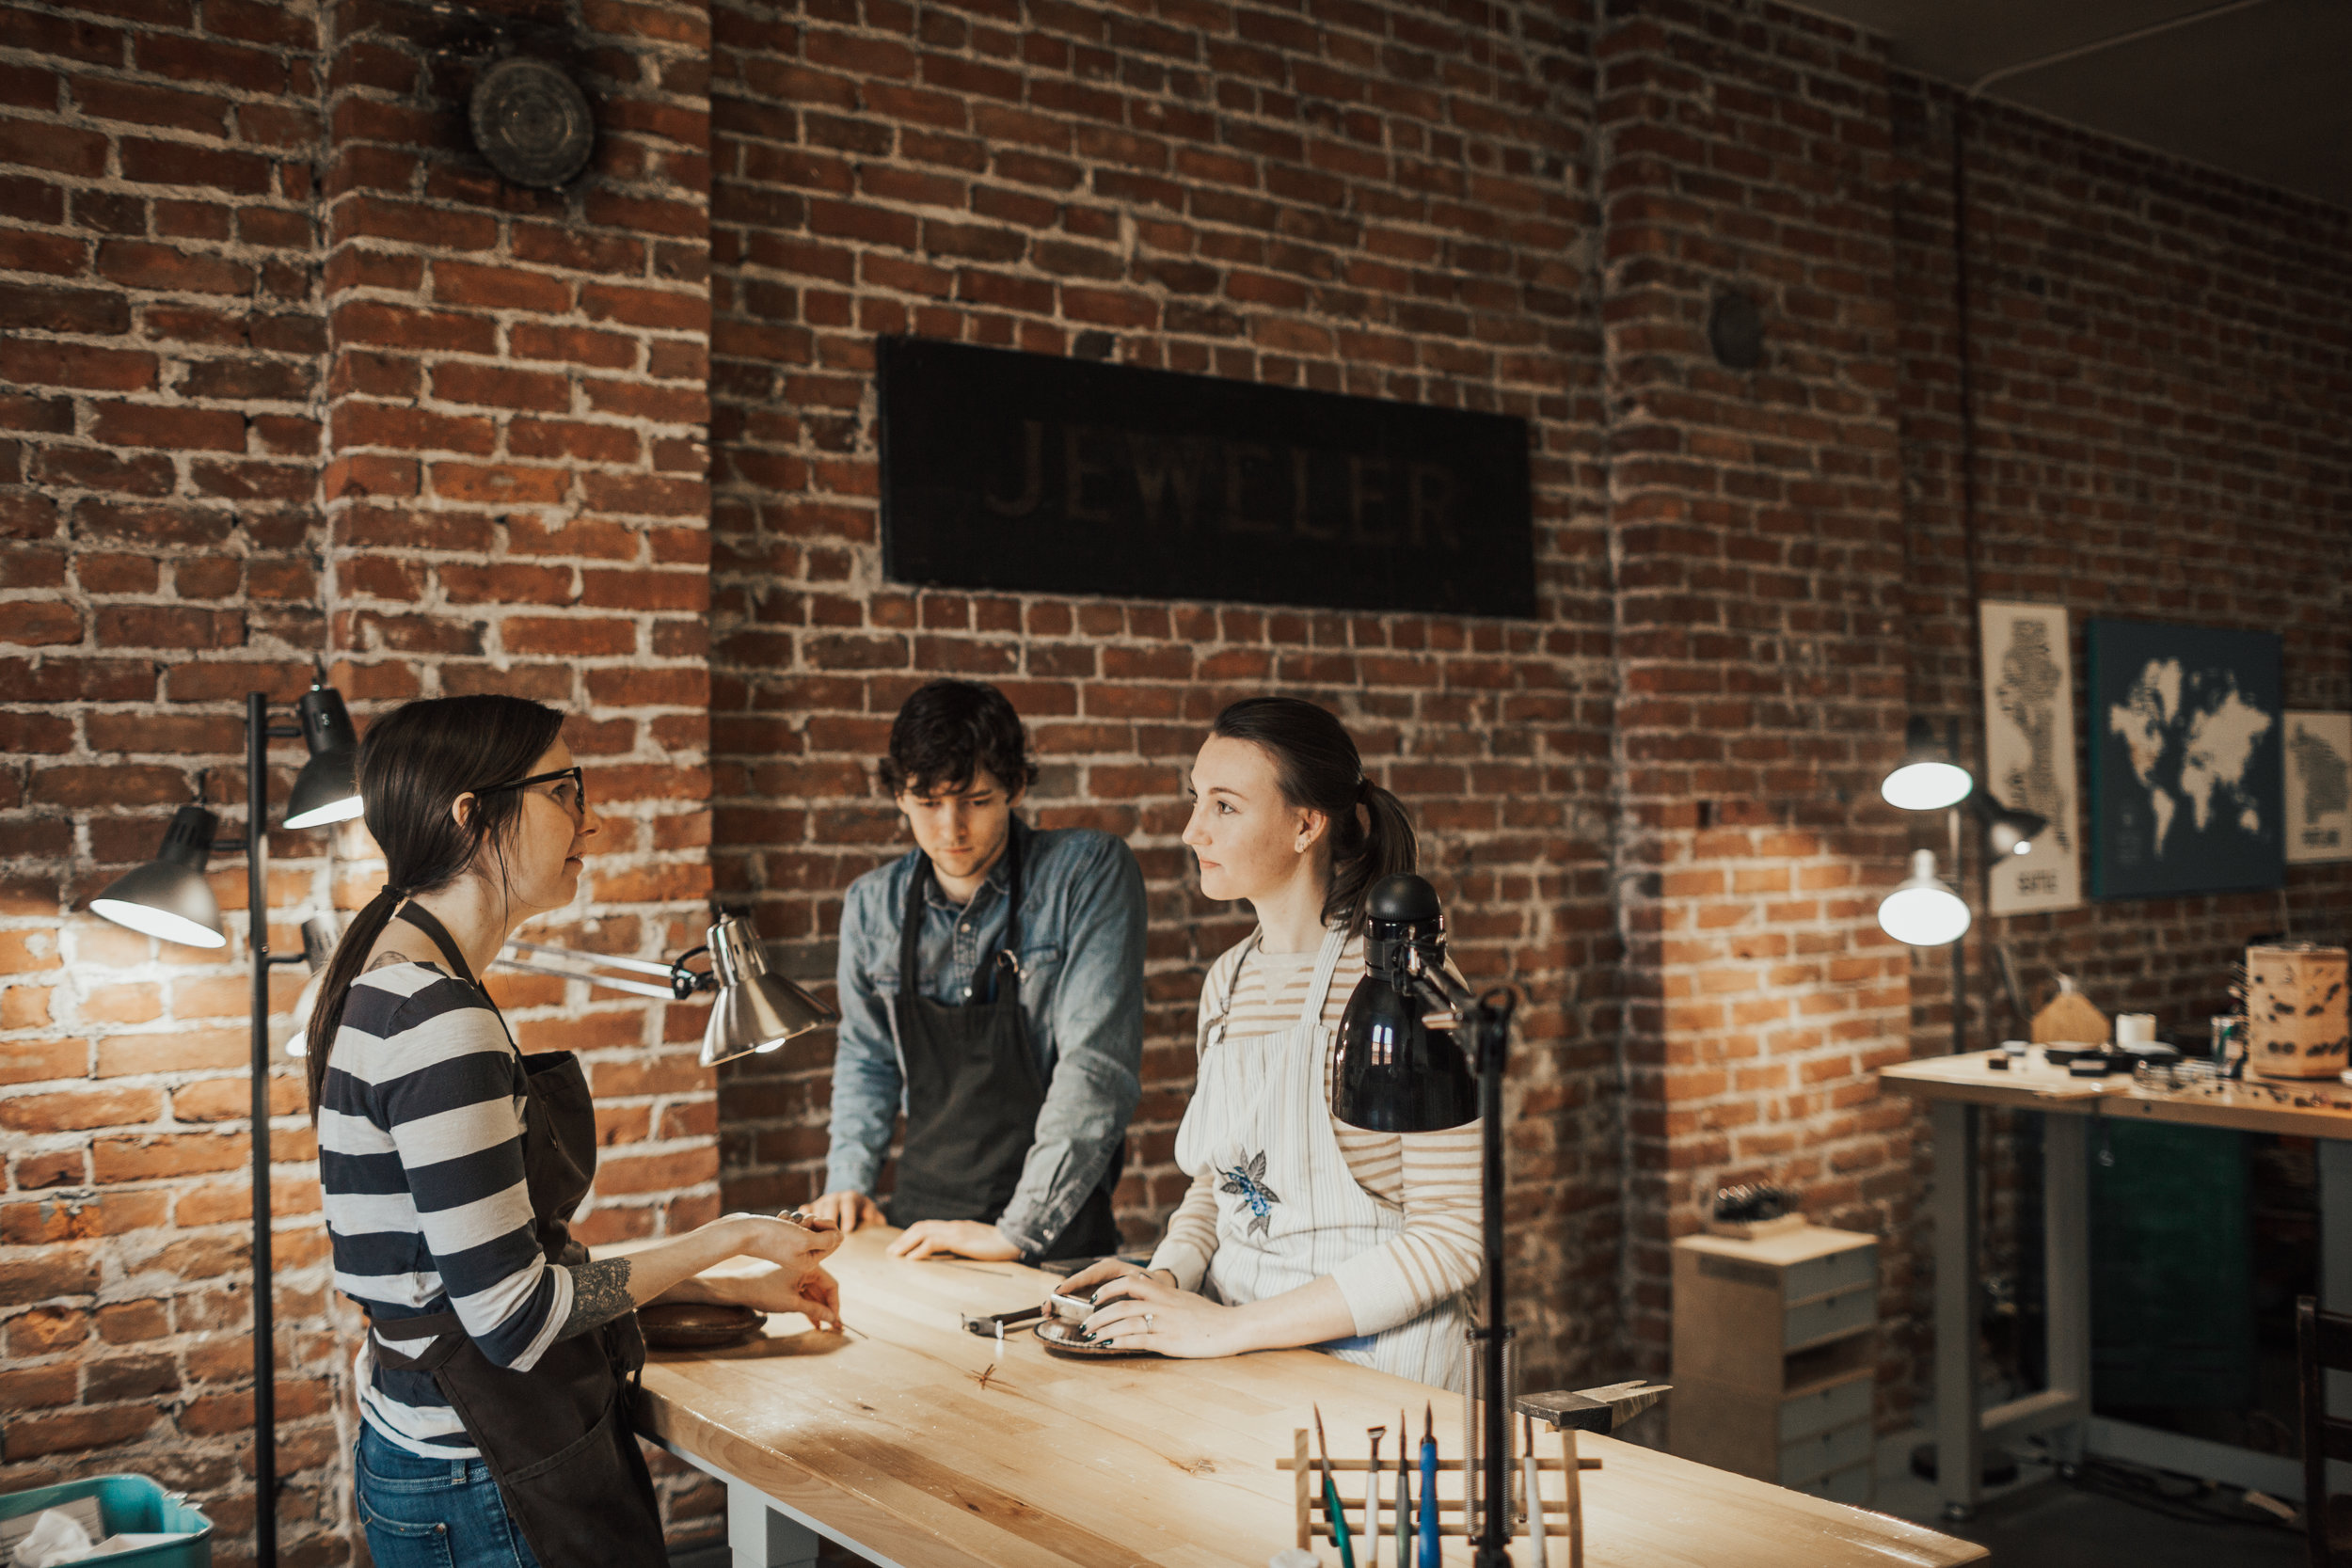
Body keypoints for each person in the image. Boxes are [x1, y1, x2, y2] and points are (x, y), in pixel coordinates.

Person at [309, 694, 843, 1568]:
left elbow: (496, 1275)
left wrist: (725, 1292)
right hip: (485, 1479)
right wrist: (728, 1235)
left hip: (440, 1461)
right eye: (565, 790)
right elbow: (514, 1318)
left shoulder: (398, 981)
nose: (590, 819)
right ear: (473, 817)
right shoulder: (437, 1019)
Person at [1064, 697, 1482, 1389]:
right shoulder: (1227, 982)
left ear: (1306, 824)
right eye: (1196, 800)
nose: (1194, 830)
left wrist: (1227, 1328)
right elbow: (1221, 1180)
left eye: (1225, 806)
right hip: (1238, 1358)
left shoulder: (1400, 982)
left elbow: (1452, 1238)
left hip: (1380, 1375)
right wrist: (1166, 1274)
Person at [806, 678, 1146, 1263]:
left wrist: (1017, 1232)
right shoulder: (871, 904)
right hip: (923, 1226)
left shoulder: (1085, 873)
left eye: (975, 801)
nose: (950, 829)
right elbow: (868, 1057)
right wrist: (848, 1180)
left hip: (1055, 1232)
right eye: (928, 803)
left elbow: (1096, 1067)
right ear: (899, 795)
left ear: (1014, 786)